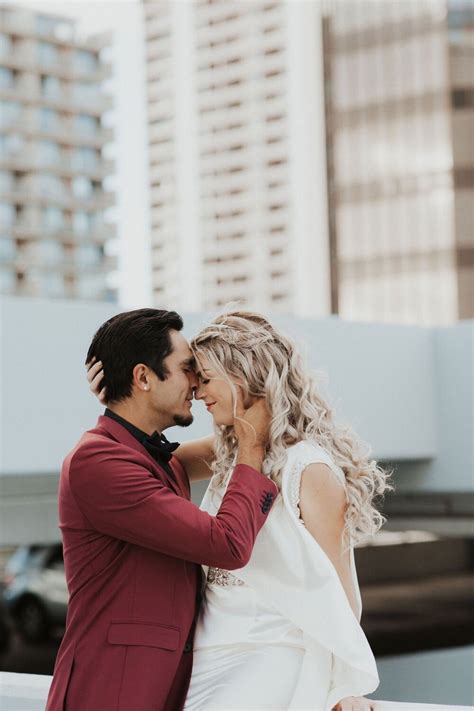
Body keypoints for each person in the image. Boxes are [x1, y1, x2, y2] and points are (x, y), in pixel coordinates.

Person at [88, 310, 390, 711]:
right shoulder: (228, 454)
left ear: (244, 377)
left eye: (206, 377)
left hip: (268, 654)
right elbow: (147, 461)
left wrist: (341, 687)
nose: (196, 390)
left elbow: (340, 591)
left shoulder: (308, 467)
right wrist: (121, 398)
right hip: (203, 658)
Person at [46, 308, 277, 711]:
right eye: (188, 368)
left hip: (158, 689)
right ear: (143, 377)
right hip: (110, 693)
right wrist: (253, 442)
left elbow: (225, 445)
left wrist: (247, 397)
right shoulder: (97, 463)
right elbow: (228, 544)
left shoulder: (152, 457)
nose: (197, 381)